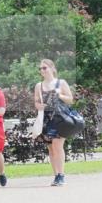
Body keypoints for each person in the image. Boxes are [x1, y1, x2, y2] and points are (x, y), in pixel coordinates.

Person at [33, 58, 75, 187]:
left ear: (52, 68)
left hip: (59, 118)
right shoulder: (39, 86)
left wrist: (60, 95)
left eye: (44, 68)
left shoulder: (60, 83)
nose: (42, 70)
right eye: (40, 68)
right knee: (51, 148)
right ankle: (56, 175)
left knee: (57, 146)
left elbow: (70, 100)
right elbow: (36, 102)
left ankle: (61, 175)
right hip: (46, 119)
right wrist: (39, 105)